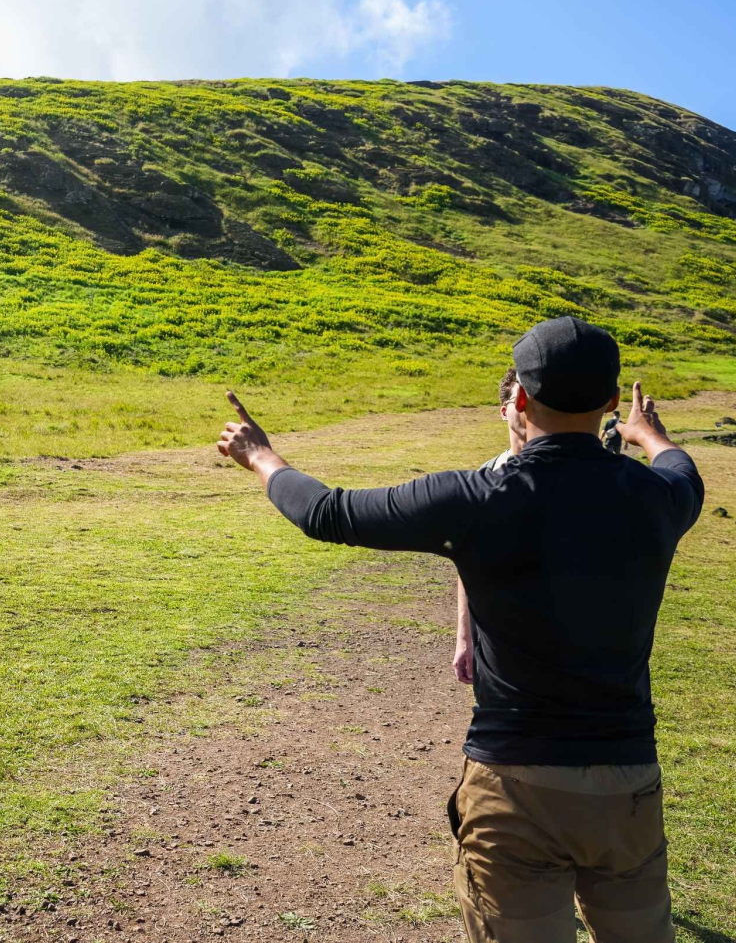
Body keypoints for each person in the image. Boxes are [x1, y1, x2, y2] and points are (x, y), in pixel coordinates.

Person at [216, 316, 703, 943]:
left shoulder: (476, 498)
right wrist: (647, 435)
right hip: (627, 785)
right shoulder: (660, 498)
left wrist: (259, 455)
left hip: (514, 786)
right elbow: (681, 466)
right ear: (610, 401)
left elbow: (325, 511)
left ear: (519, 399)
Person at [453, 367, 527, 684]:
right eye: (520, 399)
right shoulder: (485, 477)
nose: (528, 407)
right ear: (504, 411)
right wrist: (464, 638)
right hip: (494, 640)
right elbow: (467, 563)